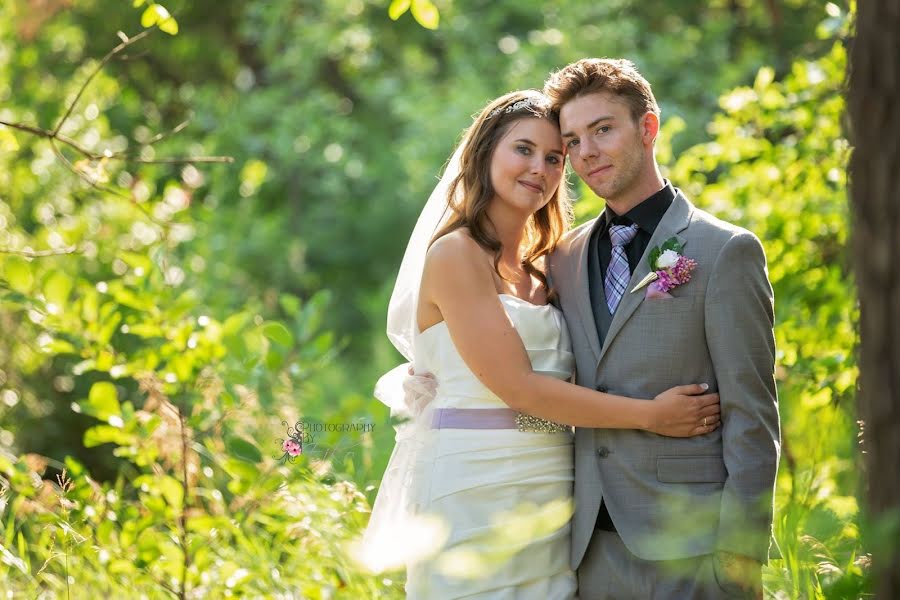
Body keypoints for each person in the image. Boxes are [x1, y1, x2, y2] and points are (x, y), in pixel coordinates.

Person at [359, 89, 721, 599]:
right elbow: (520, 388)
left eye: (555, 158)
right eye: (523, 150)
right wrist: (650, 415)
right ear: (485, 153)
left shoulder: (550, 265)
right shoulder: (455, 255)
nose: (540, 169)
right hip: (477, 482)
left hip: (552, 480)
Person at [543, 58, 780, 599]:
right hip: (586, 551)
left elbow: (752, 413)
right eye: (573, 140)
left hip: (692, 548)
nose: (587, 153)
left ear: (648, 128)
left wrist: (740, 556)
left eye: (603, 130)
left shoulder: (724, 251)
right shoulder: (563, 256)